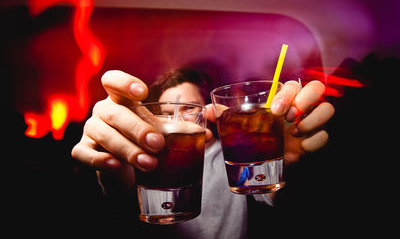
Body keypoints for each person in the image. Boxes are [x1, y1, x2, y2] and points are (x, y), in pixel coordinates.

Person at [71, 67, 335, 237]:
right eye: (166, 111)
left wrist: (281, 148)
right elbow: (121, 194)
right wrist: (111, 162)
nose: (179, 117)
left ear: (207, 112)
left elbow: (264, 188)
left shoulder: (233, 153)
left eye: (189, 107)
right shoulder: (148, 155)